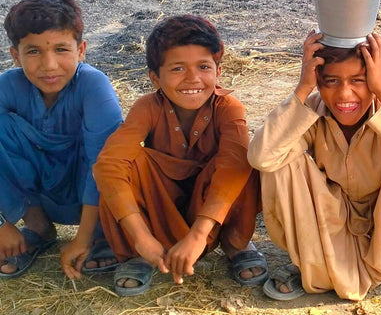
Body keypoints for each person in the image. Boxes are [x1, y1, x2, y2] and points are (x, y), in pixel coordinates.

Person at [249, 31, 381, 301]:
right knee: (279, 163)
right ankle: (308, 260)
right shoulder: (311, 111)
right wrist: (302, 89)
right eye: (331, 81)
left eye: (358, 81)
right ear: (318, 80)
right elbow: (261, 156)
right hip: (333, 223)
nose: (344, 94)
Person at [93, 15, 266, 296]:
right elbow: (108, 165)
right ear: (155, 78)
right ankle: (137, 254)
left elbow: (233, 166)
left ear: (218, 71)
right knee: (124, 162)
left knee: (243, 160)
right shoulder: (147, 107)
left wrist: (199, 235)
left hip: (210, 212)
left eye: (203, 66)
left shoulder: (228, 108)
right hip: (162, 207)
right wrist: (140, 237)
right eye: (177, 68)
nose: (193, 79)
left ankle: (236, 243)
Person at [0, 0, 123, 280]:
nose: (49, 65)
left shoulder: (94, 86)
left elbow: (102, 165)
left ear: (81, 50)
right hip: (42, 193)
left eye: (61, 49)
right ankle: (39, 228)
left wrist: (82, 238)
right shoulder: (7, 86)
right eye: (33, 52)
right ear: (15, 55)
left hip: (88, 195)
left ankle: (102, 237)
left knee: (115, 152)